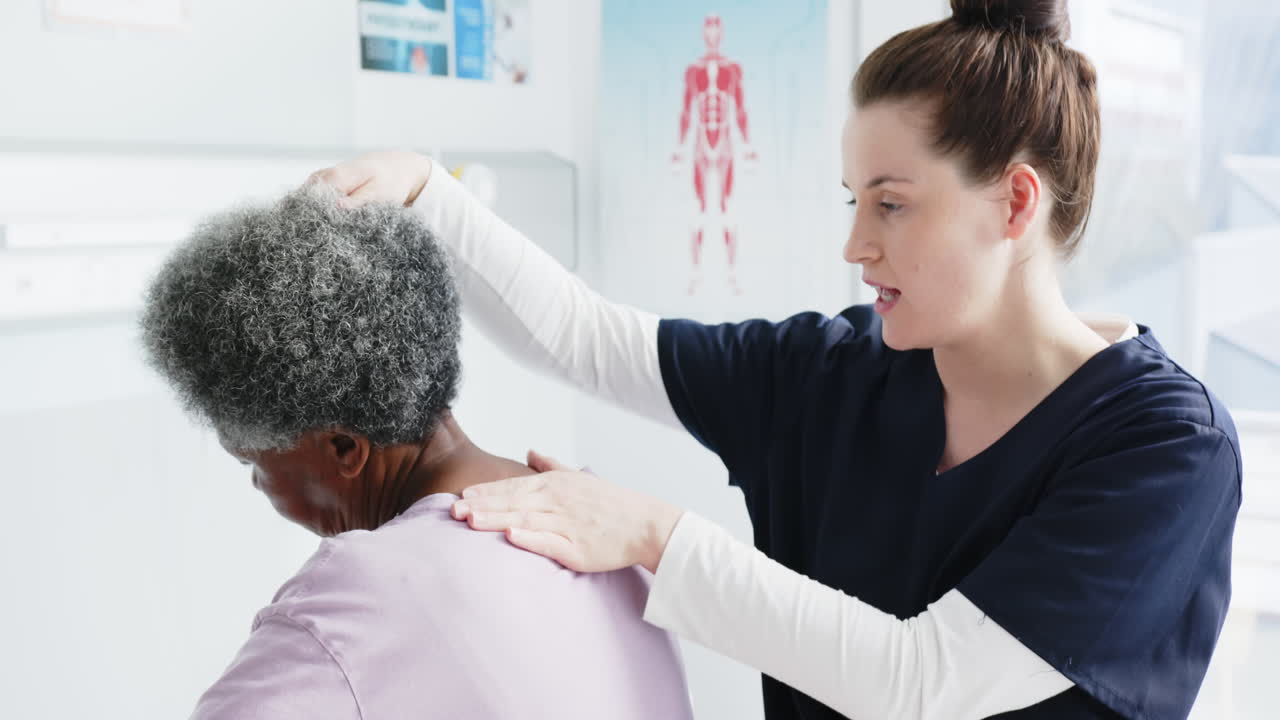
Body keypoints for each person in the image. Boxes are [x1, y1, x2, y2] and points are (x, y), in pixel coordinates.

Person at [310, 1, 1241, 717]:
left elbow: (923, 683)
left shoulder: (1163, 449)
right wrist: (422, 189)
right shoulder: (837, 374)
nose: (857, 246)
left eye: (892, 204)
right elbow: (590, 340)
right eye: (853, 202)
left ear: (1015, 203)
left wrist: (650, 534)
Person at [139, 186, 694, 719]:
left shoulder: (351, 603)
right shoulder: (596, 522)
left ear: (343, 447)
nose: (258, 485)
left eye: (254, 463)